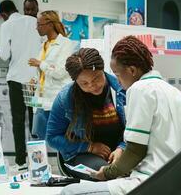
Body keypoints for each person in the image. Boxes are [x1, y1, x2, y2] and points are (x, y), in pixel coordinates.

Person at [61, 36, 181, 195]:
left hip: (152, 182)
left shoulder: (140, 89)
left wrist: (107, 173)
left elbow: (135, 151)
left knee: (69, 191)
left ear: (132, 71)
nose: (118, 82)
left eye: (118, 75)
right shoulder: (174, 93)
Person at [46, 48, 126, 180]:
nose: (92, 86)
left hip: (118, 151)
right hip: (81, 155)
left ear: (103, 70)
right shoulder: (65, 98)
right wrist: (89, 147)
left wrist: (122, 148)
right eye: (84, 83)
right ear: (76, 81)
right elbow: (52, 137)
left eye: (96, 78)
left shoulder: (122, 89)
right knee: (109, 175)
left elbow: (135, 127)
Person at [0, 0, 41, 170]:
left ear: (3, 14)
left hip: (16, 78)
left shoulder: (7, 25)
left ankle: (21, 161)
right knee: (35, 119)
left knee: (18, 120)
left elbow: (3, 55)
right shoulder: (36, 22)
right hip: (34, 80)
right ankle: (38, 160)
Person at [28, 10, 76, 140]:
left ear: (50, 25)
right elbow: (43, 72)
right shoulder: (43, 45)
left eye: (39, 24)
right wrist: (34, 80)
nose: (36, 28)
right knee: (39, 138)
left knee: (59, 138)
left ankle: (63, 161)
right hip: (39, 99)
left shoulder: (66, 44)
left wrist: (40, 63)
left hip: (55, 99)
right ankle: (41, 161)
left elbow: (60, 71)